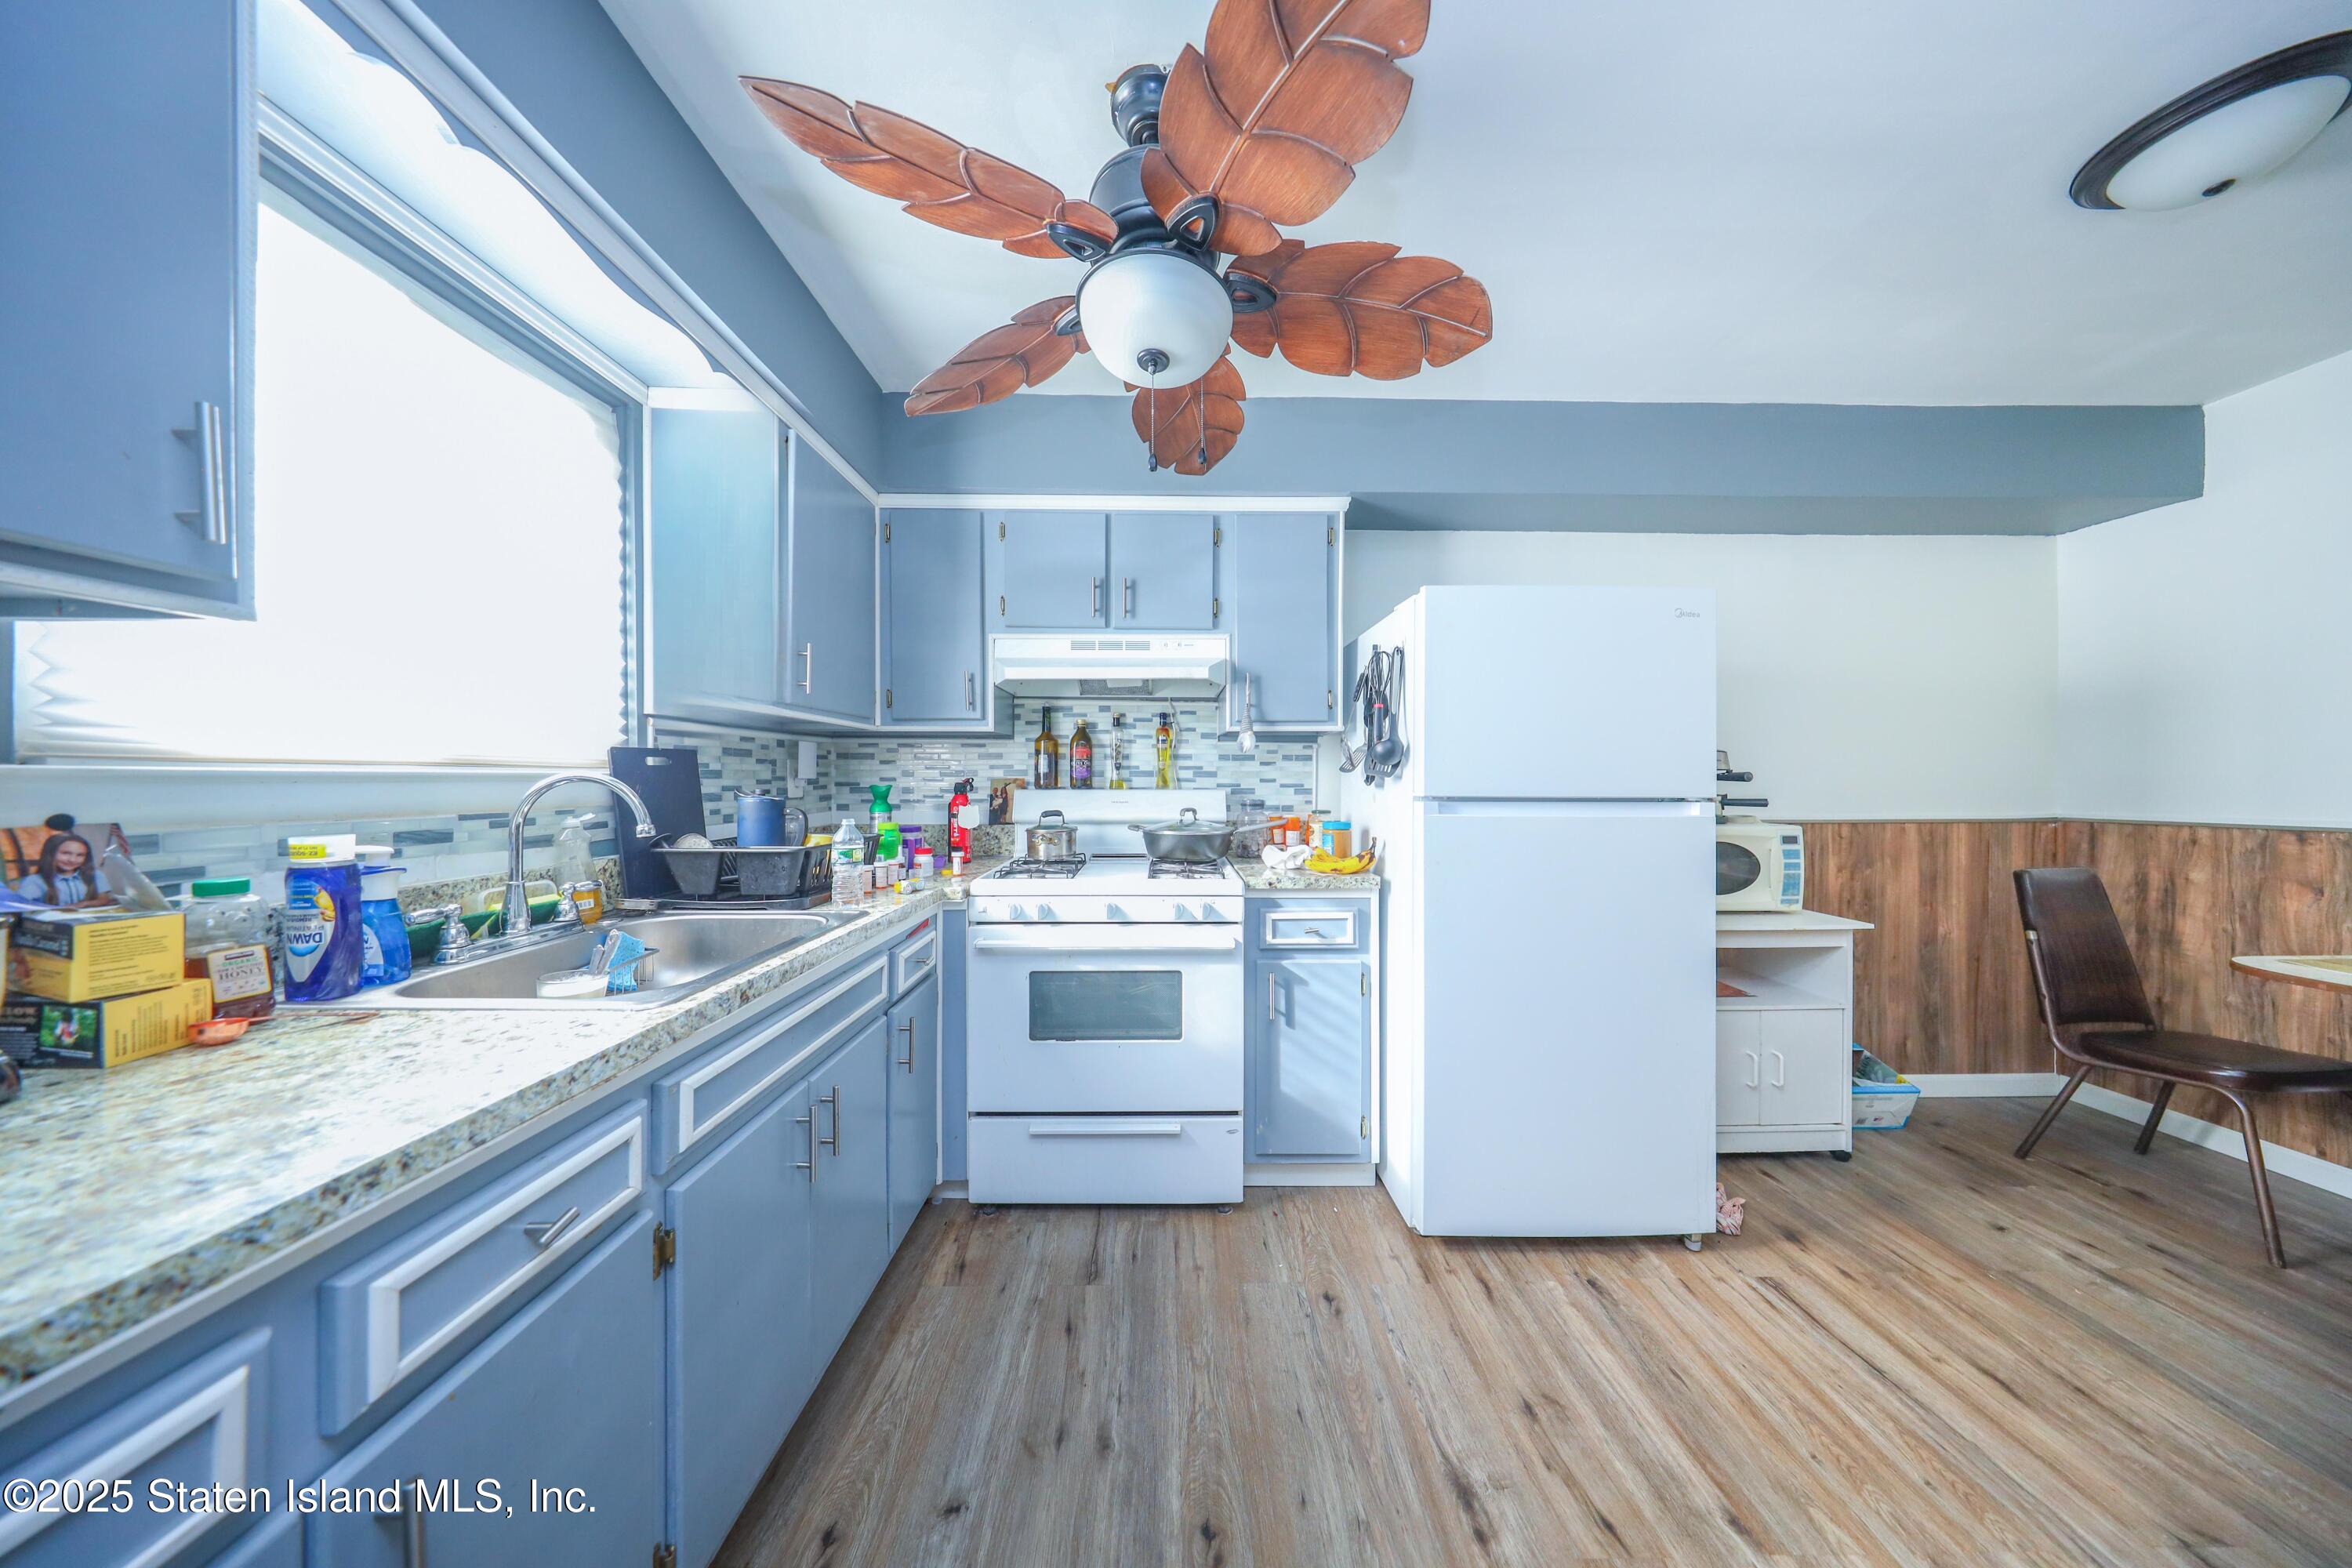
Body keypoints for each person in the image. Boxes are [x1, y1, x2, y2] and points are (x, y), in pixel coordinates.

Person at [16, 830, 96, 907]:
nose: (72, 860)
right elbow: (19, 908)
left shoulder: (89, 878)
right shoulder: (35, 881)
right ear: (50, 854)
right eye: (66, 853)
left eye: (80, 855)